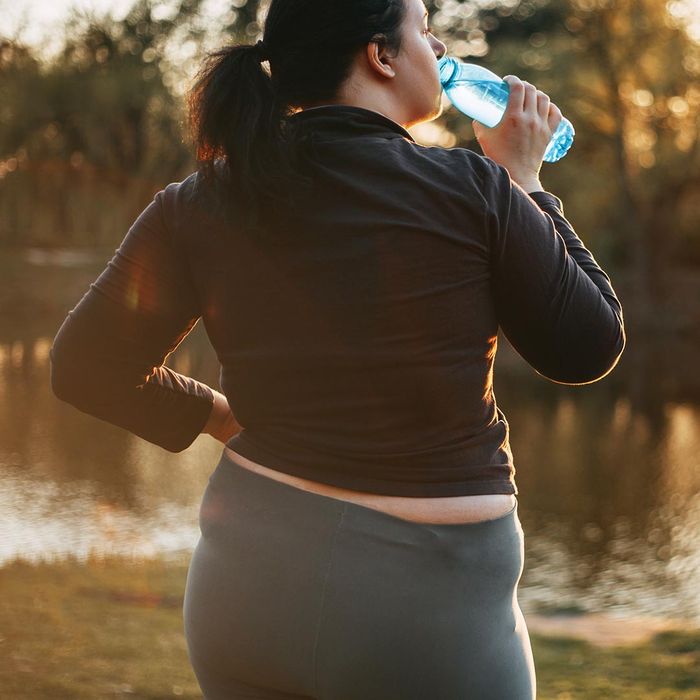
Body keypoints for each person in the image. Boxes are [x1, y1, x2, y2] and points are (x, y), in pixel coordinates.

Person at [49, 0, 626, 697]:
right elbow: (588, 346)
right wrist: (530, 182)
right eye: (422, 27)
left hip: (247, 600)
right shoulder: (478, 189)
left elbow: (85, 365)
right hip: (432, 622)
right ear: (380, 56)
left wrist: (215, 416)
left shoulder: (199, 200)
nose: (438, 44)